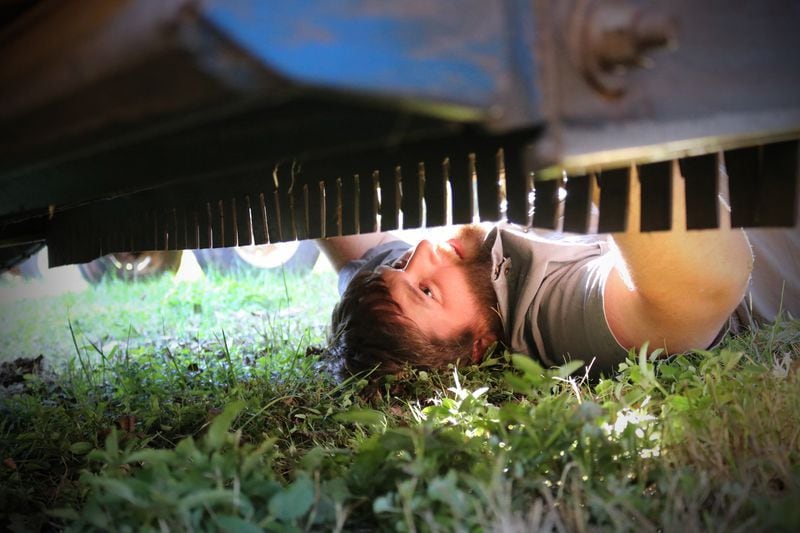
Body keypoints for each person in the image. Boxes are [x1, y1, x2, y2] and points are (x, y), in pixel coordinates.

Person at [317, 162, 798, 379]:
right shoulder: (553, 318)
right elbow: (710, 282)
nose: (422, 250)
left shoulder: (392, 294)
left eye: (402, 265)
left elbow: (344, 233)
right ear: (480, 346)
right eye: (427, 290)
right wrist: (588, 142)